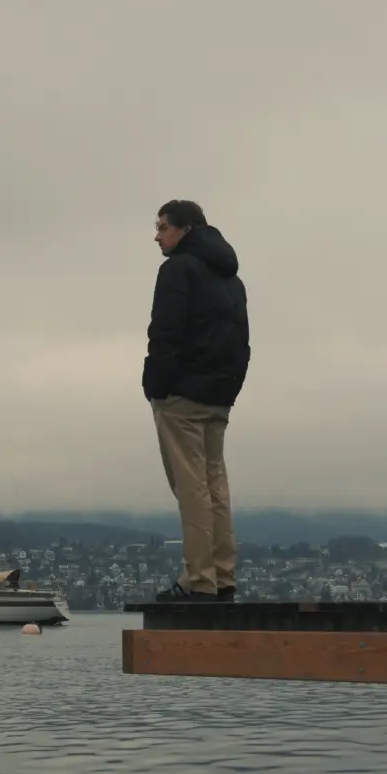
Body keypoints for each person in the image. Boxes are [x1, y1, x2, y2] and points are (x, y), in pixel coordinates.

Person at [142, 199, 250, 603]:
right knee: (215, 485)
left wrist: (156, 385)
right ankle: (222, 576)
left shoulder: (177, 270)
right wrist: (229, 388)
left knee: (191, 487)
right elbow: (241, 340)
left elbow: (165, 333)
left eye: (163, 227)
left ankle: (199, 579)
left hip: (181, 397)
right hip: (219, 396)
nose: (157, 236)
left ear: (186, 228)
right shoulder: (231, 280)